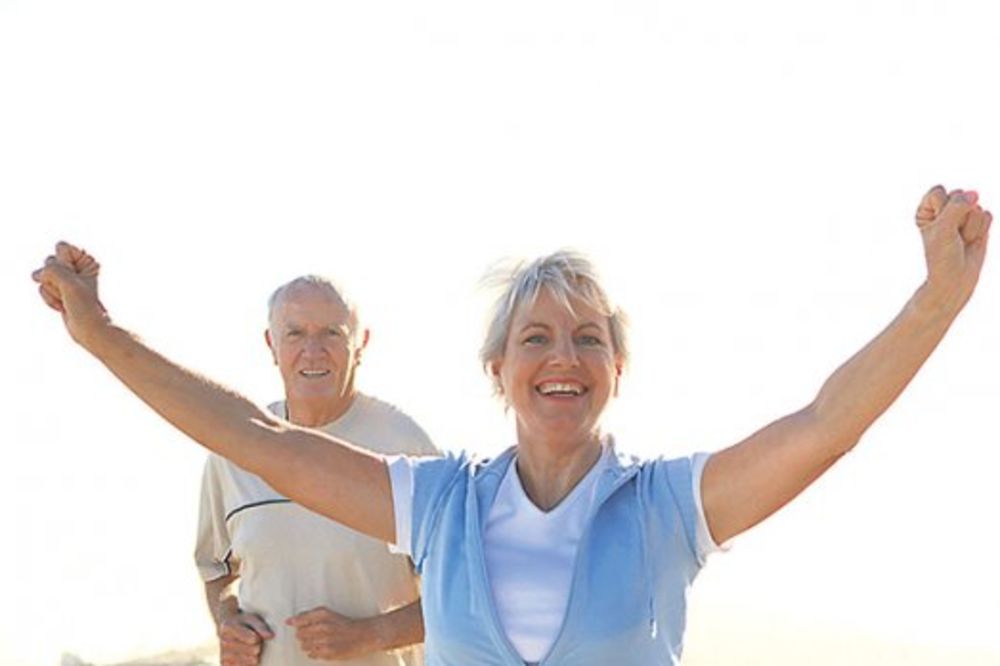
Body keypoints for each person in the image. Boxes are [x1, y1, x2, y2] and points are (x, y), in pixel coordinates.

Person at [34, 185, 991, 665]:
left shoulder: (668, 506)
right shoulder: (437, 501)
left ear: (618, 369)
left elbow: (827, 423)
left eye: (588, 338)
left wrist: (938, 301)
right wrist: (100, 332)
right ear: (498, 371)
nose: (562, 357)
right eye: (535, 337)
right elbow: (258, 436)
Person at [195, 275, 438, 666]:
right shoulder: (235, 451)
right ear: (271, 345)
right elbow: (217, 570)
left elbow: (463, 592)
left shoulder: (406, 448)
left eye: (331, 333)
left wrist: (369, 635)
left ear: (361, 344)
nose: (313, 351)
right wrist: (229, 619)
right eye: (295, 334)